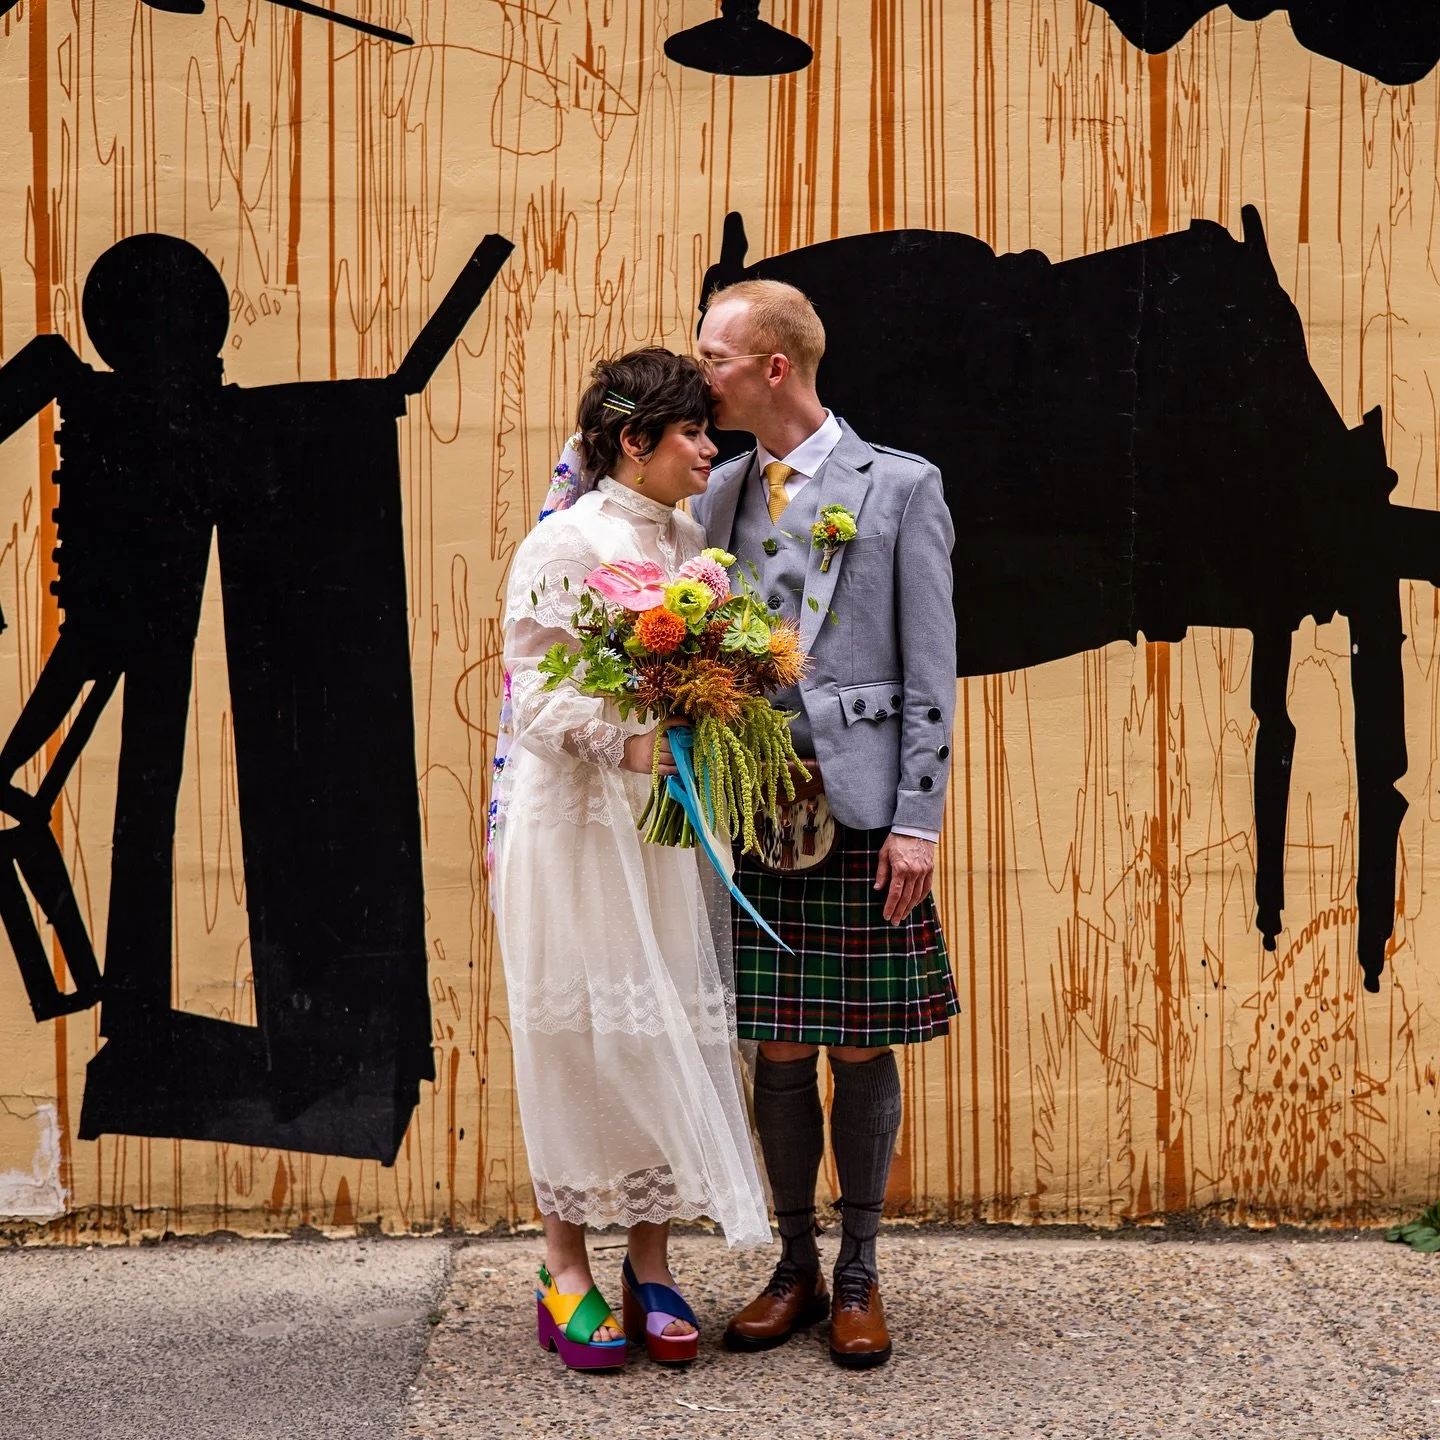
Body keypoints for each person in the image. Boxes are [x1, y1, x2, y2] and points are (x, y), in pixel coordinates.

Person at [692, 280, 958, 1370]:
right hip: (753, 808)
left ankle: (859, 1270)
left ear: (773, 369)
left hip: (859, 811)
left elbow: (932, 665)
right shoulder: (712, 493)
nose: (697, 370)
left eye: (714, 355)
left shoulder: (899, 487)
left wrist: (918, 821)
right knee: (779, 1042)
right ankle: (792, 1266)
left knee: (861, 1040)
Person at [490, 348, 770, 1371]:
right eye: (692, 432)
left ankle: (651, 1259)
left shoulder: (689, 541)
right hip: (577, 834)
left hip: (659, 834)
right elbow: (540, 699)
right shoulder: (566, 544)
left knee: (666, 1031)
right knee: (577, 1036)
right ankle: (564, 1264)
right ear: (632, 442)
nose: (710, 447)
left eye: (709, 430)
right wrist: (642, 743)